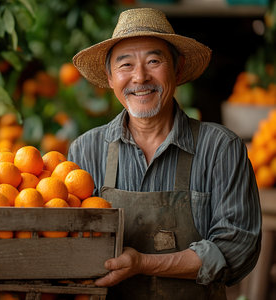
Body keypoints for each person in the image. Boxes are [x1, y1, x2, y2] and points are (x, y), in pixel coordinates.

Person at [68, 7, 261, 299]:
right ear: (110, 78)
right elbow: (69, 242)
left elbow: (237, 248)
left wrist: (143, 263)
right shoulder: (85, 150)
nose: (140, 77)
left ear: (178, 68)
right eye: (125, 65)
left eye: (154, 61)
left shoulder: (220, 148)